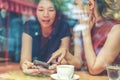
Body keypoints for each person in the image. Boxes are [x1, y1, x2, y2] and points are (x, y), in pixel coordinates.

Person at [48, 0, 120, 75]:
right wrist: (66, 54)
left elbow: (94, 69)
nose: (74, 9)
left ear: (90, 4)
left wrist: (86, 32)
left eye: (76, 4)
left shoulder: (116, 30)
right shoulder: (80, 26)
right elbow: (79, 63)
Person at [20, 0, 71, 76]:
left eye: (51, 10)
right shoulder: (29, 25)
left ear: (56, 12)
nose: (46, 14)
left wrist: (57, 67)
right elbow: (24, 60)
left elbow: (63, 58)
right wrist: (25, 66)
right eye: (41, 10)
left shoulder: (63, 27)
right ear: (35, 11)